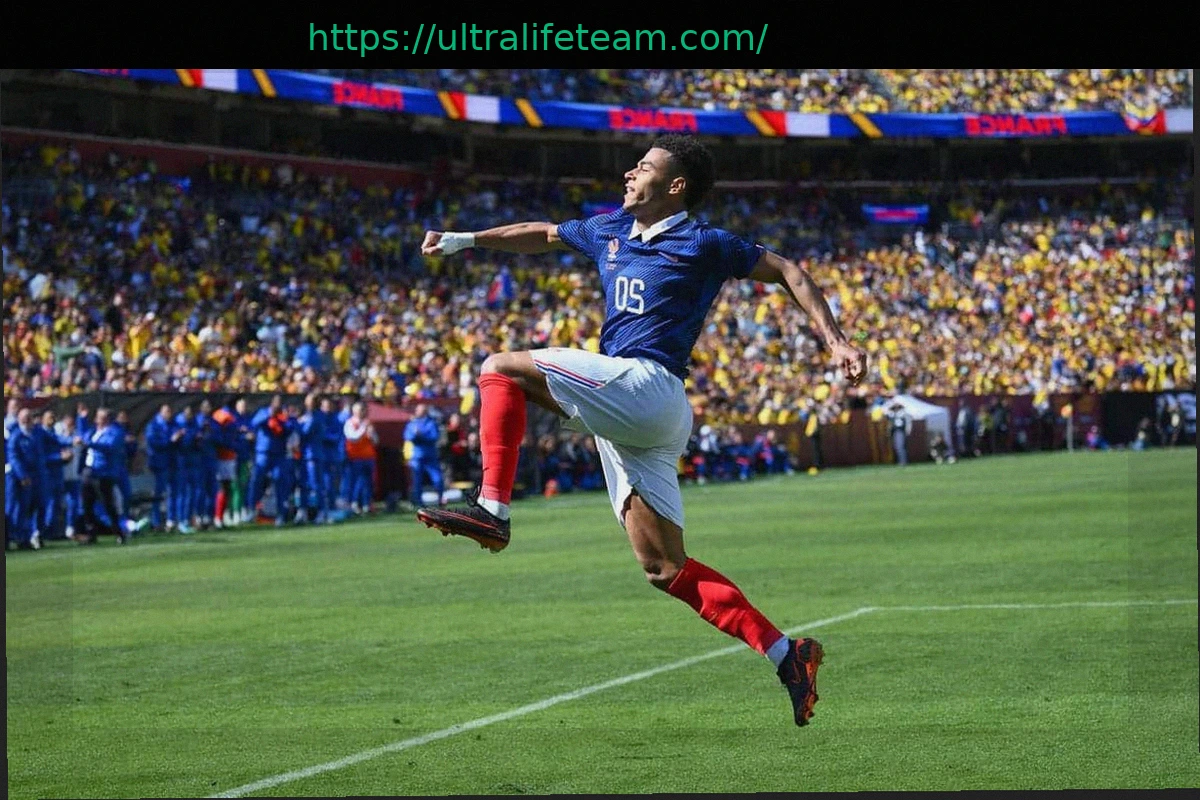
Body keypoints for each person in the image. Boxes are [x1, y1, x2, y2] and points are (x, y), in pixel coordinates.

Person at [415, 135, 867, 728]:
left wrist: (836, 341)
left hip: (647, 385)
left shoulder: (703, 241)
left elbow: (787, 270)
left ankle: (492, 510)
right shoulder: (609, 228)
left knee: (499, 367)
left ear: (675, 186)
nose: (630, 172)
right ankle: (788, 654)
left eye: (645, 166)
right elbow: (543, 234)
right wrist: (464, 240)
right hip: (639, 414)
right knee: (665, 569)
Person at [79, 408, 128, 545]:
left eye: (100, 417)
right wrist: (82, 419)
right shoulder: (94, 431)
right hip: (89, 470)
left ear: (106, 419)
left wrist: (90, 444)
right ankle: (91, 533)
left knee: (107, 503)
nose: (96, 419)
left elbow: (109, 447)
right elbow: (83, 436)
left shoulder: (115, 432)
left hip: (103, 473)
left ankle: (118, 532)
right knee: (87, 504)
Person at [249, 394, 295, 526]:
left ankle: (281, 513)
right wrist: (269, 415)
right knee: (257, 479)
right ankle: (251, 509)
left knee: (280, 480)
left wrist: (285, 420)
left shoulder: (284, 416)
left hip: (279, 453)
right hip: (263, 452)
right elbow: (254, 423)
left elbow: (290, 429)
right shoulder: (263, 412)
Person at [6, 408, 44, 550]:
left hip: (32, 476)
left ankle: (23, 538)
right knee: (12, 508)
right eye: (24, 417)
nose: (27, 420)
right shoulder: (16, 436)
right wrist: (22, 476)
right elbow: (13, 457)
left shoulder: (35, 434)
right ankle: (10, 537)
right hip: (16, 477)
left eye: (29, 417)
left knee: (26, 508)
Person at [35, 409, 70, 539]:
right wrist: (59, 457)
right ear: (43, 419)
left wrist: (66, 457)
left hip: (57, 473)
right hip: (47, 474)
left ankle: (54, 530)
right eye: (50, 417)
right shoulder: (41, 434)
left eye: (54, 417)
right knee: (48, 503)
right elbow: (42, 457)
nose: (53, 419)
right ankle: (45, 530)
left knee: (57, 503)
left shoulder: (53, 433)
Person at [403, 403, 445, 508]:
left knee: (437, 478)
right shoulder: (412, 423)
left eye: (420, 410)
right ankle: (418, 502)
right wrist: (416, 436)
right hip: (417, 456)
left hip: (430, 455)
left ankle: (440, 498)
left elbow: (434, 437)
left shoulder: (431, 423)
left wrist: (421, 436)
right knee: (417, 480)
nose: (417, 412)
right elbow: (408, 436)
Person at [144, 404, 177, 531]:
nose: (169, 414)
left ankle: (170, 520)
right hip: (158, 463)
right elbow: (153, 442)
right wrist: (170, 440)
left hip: (171, 462)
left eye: (170, 411)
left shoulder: (172, 424)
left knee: (171, 492)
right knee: (158, 493)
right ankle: (156, 521)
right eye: (167, 411)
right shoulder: (153, 425)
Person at [297, 393, 328, 524]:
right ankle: (303, 511)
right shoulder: (310, 415)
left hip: (312, 455)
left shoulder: (315, 416)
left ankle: (321, 512)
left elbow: (305, 432)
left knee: (315, 484)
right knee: (303, 484)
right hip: (305, 454)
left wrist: (296, 423)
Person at [344, 400, 378, 514]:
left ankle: (366, 504)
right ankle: (354, 503)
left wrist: (371, 433)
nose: (363, 412)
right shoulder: (350, 423)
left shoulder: (368, 423)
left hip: (369, 456)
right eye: (360, 410)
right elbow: (353, 437)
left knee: (369, 482)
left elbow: (375, 441)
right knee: (357, 481)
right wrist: (364, 428)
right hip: (355, 457)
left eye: (364, 410)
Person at [55, 412, 85, 539]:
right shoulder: (58, 436)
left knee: (73, 503)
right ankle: (53, 530)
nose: (70, 426)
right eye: (68, 424)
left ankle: (70, 527)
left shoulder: (77, 437)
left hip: (73, 476)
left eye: (72, 424)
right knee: (56, 503)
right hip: (59, 475)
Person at [172, 404, 199, 534]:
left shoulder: (193, 423)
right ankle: (180, 520)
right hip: (181, 461)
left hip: (192, 460)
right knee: (182, 492)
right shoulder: (178, 423)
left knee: (191, 492)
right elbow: (174, 441)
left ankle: (187, 519)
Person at [888, 401, 912, 466]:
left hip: (900, 431)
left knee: (900, 447)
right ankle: (901, 461)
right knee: (897, 447)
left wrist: (907, 431)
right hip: (895, 431)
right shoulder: (893, 414)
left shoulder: (903, 413)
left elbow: (908, 423)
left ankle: (903, 462)